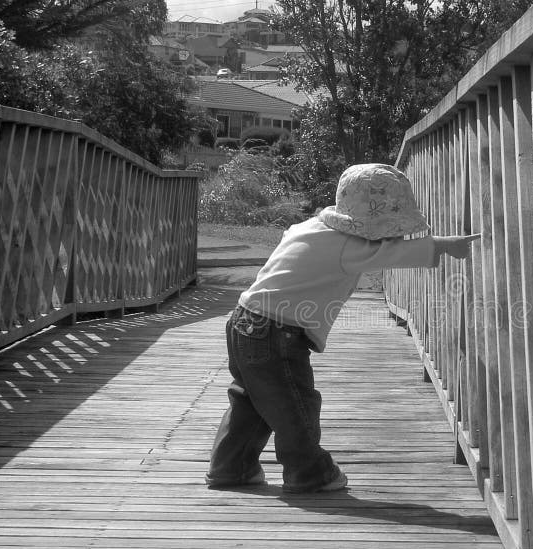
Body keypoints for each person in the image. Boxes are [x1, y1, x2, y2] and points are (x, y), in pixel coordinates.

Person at [205, 163, 479, 493]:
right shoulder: (347, 246)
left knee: (254, 401)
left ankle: (230, 468)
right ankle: (309, 473)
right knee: (295, 404)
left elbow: (295, 242)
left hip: (244, 321)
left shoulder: (311, 227)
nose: (392, 235)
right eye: (389, 228)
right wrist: (445, 246)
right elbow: (391, 255)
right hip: (275, 334)